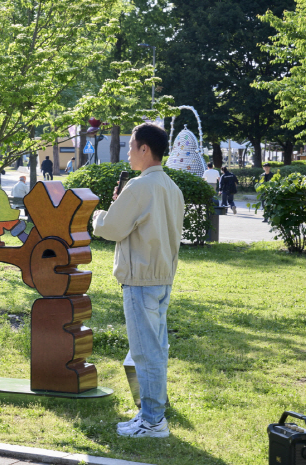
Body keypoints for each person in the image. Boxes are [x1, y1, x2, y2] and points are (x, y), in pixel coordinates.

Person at [92, 123, 184, 438]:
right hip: (161, 278)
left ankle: (153, 421)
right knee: (155, 348)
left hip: (140, 280)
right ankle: (149, 414)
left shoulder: (139, 186)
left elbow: (112, 228)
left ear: (145, 148)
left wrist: (98, 216)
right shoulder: (171, 187)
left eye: (131, 146)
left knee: (146, 352)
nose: (128, 152)